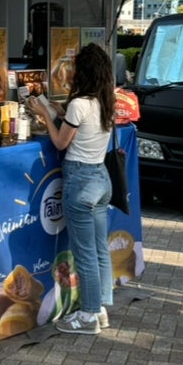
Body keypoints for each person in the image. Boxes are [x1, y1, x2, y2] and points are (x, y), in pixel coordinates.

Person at [27, 43, 115, 335]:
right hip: (101, 178)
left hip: (80, 181)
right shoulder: (105, 101)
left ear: (83, 72)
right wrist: (57, 111)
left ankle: (88, 316)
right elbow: (79, 126)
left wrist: (44, 113)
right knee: (99, 249)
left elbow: (60, 142)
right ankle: (100, 308)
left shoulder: (80, 104)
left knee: (85, 254)